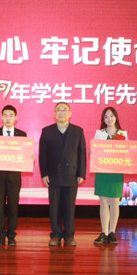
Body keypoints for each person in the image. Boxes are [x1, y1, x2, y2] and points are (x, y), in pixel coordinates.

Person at [39, 102, 86, 247]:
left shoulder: (78, 131)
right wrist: (44, 174)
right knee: (54, 207)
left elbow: (82, 154)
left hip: (71, 174)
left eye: (64, 110)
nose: (61, 113)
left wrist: (81, 173)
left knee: (69, 207)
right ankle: (56, 235)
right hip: (53, 174)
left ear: (70, 113)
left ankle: (69, 236)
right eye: (58, 110)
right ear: (54, 114)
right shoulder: (47, 131)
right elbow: (43, 155)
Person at [0, 105, 27, 246]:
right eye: (5, 115)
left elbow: (24, 155)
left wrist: (30, 157)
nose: (8, 118)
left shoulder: (22, 135)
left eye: (11, 115)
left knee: (13, 207)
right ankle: (0, 236)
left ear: (16, 118)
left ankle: (11, 236)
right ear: (1, 117)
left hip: (14, 178)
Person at [92, 107, 127, 245]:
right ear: (103, 119)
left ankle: (112, 232)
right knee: (103, 202)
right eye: (106, 117)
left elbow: (128, 153)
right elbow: (94, 151)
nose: (109, 119)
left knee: (115, 202)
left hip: (116, 172)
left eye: (111, 116)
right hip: (102, 172)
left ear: (116, 117)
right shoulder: (99, 134)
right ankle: (104, 232)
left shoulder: (123, 134)